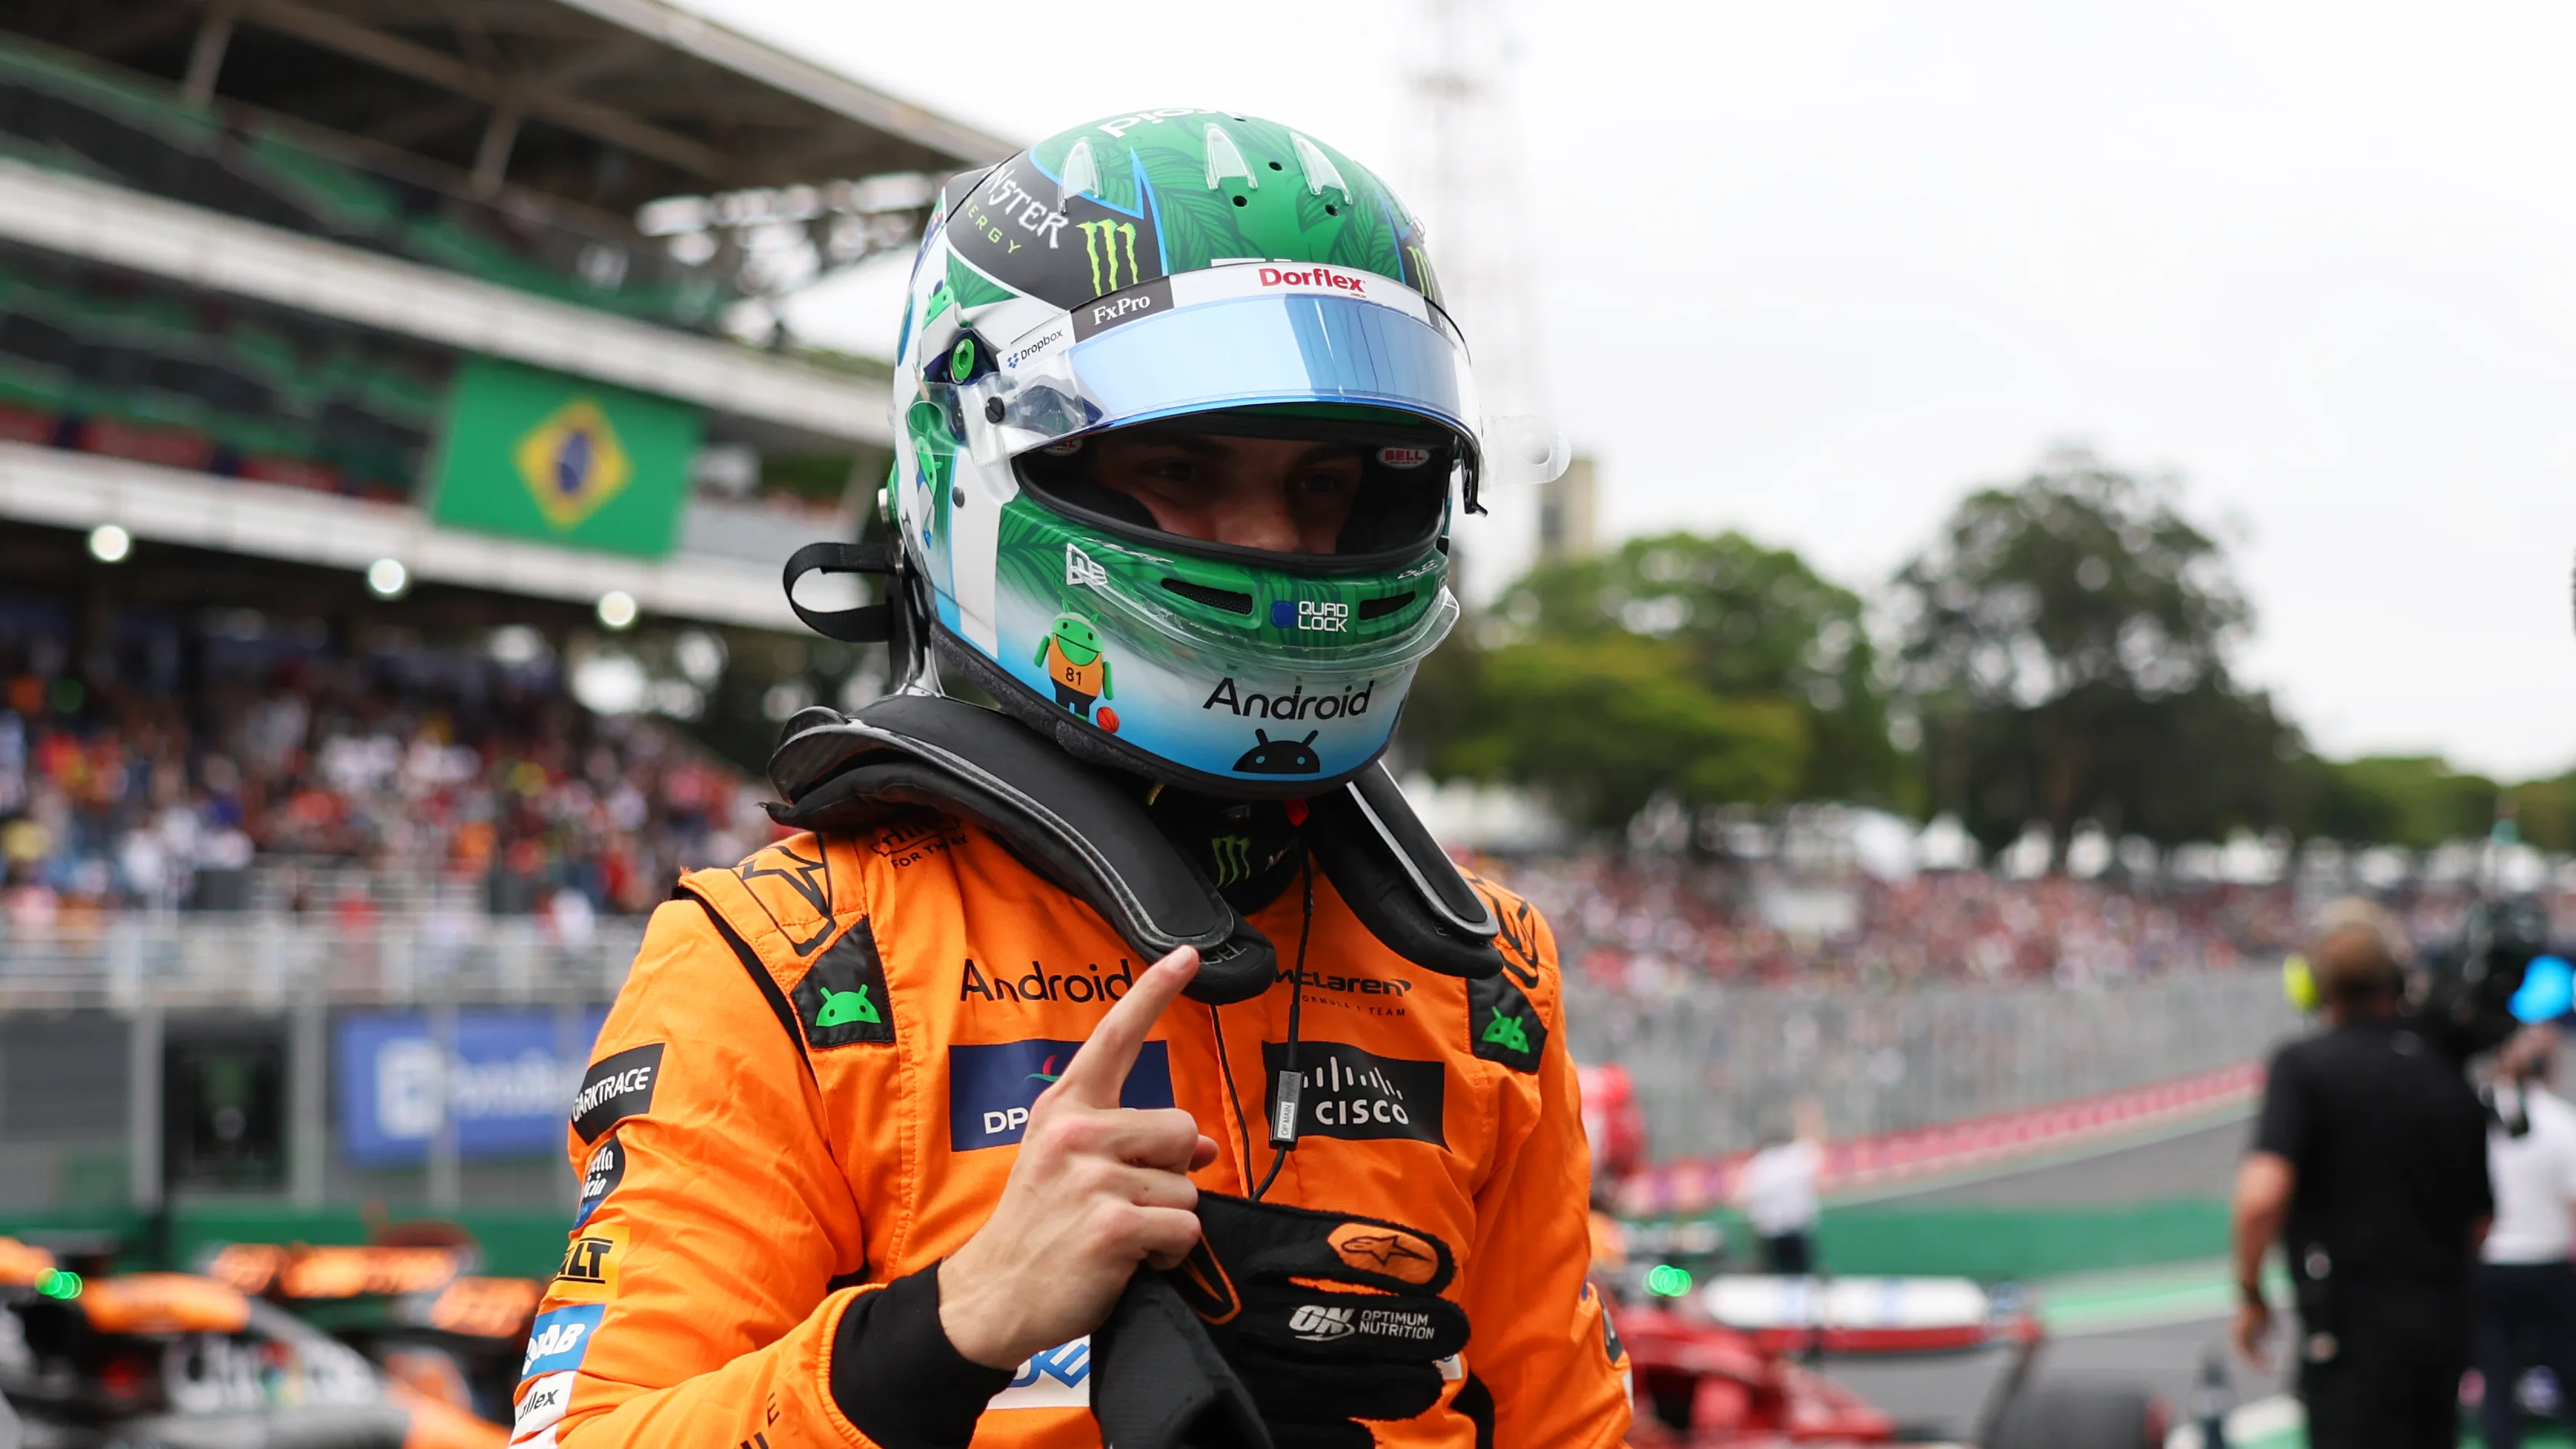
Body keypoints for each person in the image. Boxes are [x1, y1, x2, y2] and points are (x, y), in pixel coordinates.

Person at [512, 112, 1631, 1449]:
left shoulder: (1485, 968)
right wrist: (947, 1325)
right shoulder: (786, 957)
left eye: (1326, 481)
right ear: (984, 465)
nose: (1274, 542)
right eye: (1179, 468)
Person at [2231, 899, 2492, 1449]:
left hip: (2348, 1331)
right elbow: (2481, 1222)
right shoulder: (2446, 1067)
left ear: (2313, 988)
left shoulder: (2303, 1066)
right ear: (2397, 985)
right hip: (2442, 1327)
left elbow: (2261, 1197)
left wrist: (2251, 1292)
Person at [2477, 1023, 2576, 1449]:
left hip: (2492, 1265)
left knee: (2496, 1383)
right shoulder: (2560, 1120)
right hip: (2548, 1265)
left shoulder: (2472, 1118)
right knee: (2569, 1368)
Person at [1734, 1097, 1825, 1275]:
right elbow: (1816, 1146)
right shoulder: (1796, 1158)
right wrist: (1809, 1117)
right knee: (1799, 1280)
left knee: (1777, 1283)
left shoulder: (1758, 1166)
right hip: (1793, 1235)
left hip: (1772, 1237)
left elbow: (1738, 1199)